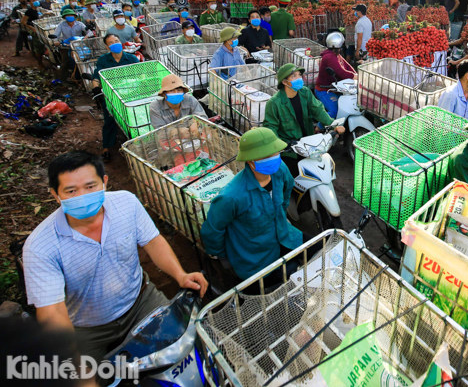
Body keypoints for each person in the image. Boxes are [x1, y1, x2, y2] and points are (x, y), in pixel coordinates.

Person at [22, 151, 208, 365]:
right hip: (87, 327)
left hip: (140, 301)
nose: (82, 195)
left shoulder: (126, 203)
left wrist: (180, 275)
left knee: (183, 350)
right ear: (55, 195)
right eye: (71, 190)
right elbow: (53, 311)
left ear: (104, 182)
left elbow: (153, 241)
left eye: (90, 186)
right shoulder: (40, 247)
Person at [201, 127, 302, 281]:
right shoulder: (232, 196)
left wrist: (281, 215)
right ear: (251, 162)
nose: (275, 158)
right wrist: (223, 257)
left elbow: (286, 192)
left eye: (276, 153)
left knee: (322, 247)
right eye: (268, 156)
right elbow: (213, 230)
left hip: (285, 235)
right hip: (254, 260)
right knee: (290, 273)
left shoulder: (280, 170)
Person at [262, 63, 345, 178]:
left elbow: (318, 110)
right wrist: (279, 145)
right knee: (292, 179)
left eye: (299, 75)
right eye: (294, 76)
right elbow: (271, 128)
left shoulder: (305, 92)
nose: (299, 78)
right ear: (285, 82)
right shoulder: (274, 103)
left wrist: (332, 125)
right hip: (289, 149)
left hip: (308, 144)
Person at [93, 34, 140, 161]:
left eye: (117, 40)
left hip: (130, 93)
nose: (115, 43)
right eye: (111, 42)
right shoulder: (103, 60)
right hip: (111, 94)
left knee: (133, 120)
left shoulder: (131, 59)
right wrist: (96, 88)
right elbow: (97, 76)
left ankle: (137, 145)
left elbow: (140, 75)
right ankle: (106, 148)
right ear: (107, 46)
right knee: (109, 120)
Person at [315, 32, 357, 117]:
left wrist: (355, 74)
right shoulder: (329, 57)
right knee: (335, 110)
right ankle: (318, 128)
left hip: (336, 88)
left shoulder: (336, 55)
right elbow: (341, 72)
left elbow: (347, 66)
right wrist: (353, 76)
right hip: (324, 90)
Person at [54, 9, 88, 80]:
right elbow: (55, 35)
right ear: (64, 17)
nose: (70, 17)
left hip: (79, 45)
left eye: (71, 15)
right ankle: (61, 79)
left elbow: (89, 32)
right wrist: (56, 41)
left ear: (74, 16)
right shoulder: (61, 25)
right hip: (66, 46)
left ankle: (83, 77)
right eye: (68, 16)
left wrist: (85, 37)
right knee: (65, 63)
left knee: (85, 60)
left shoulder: (79, 24)